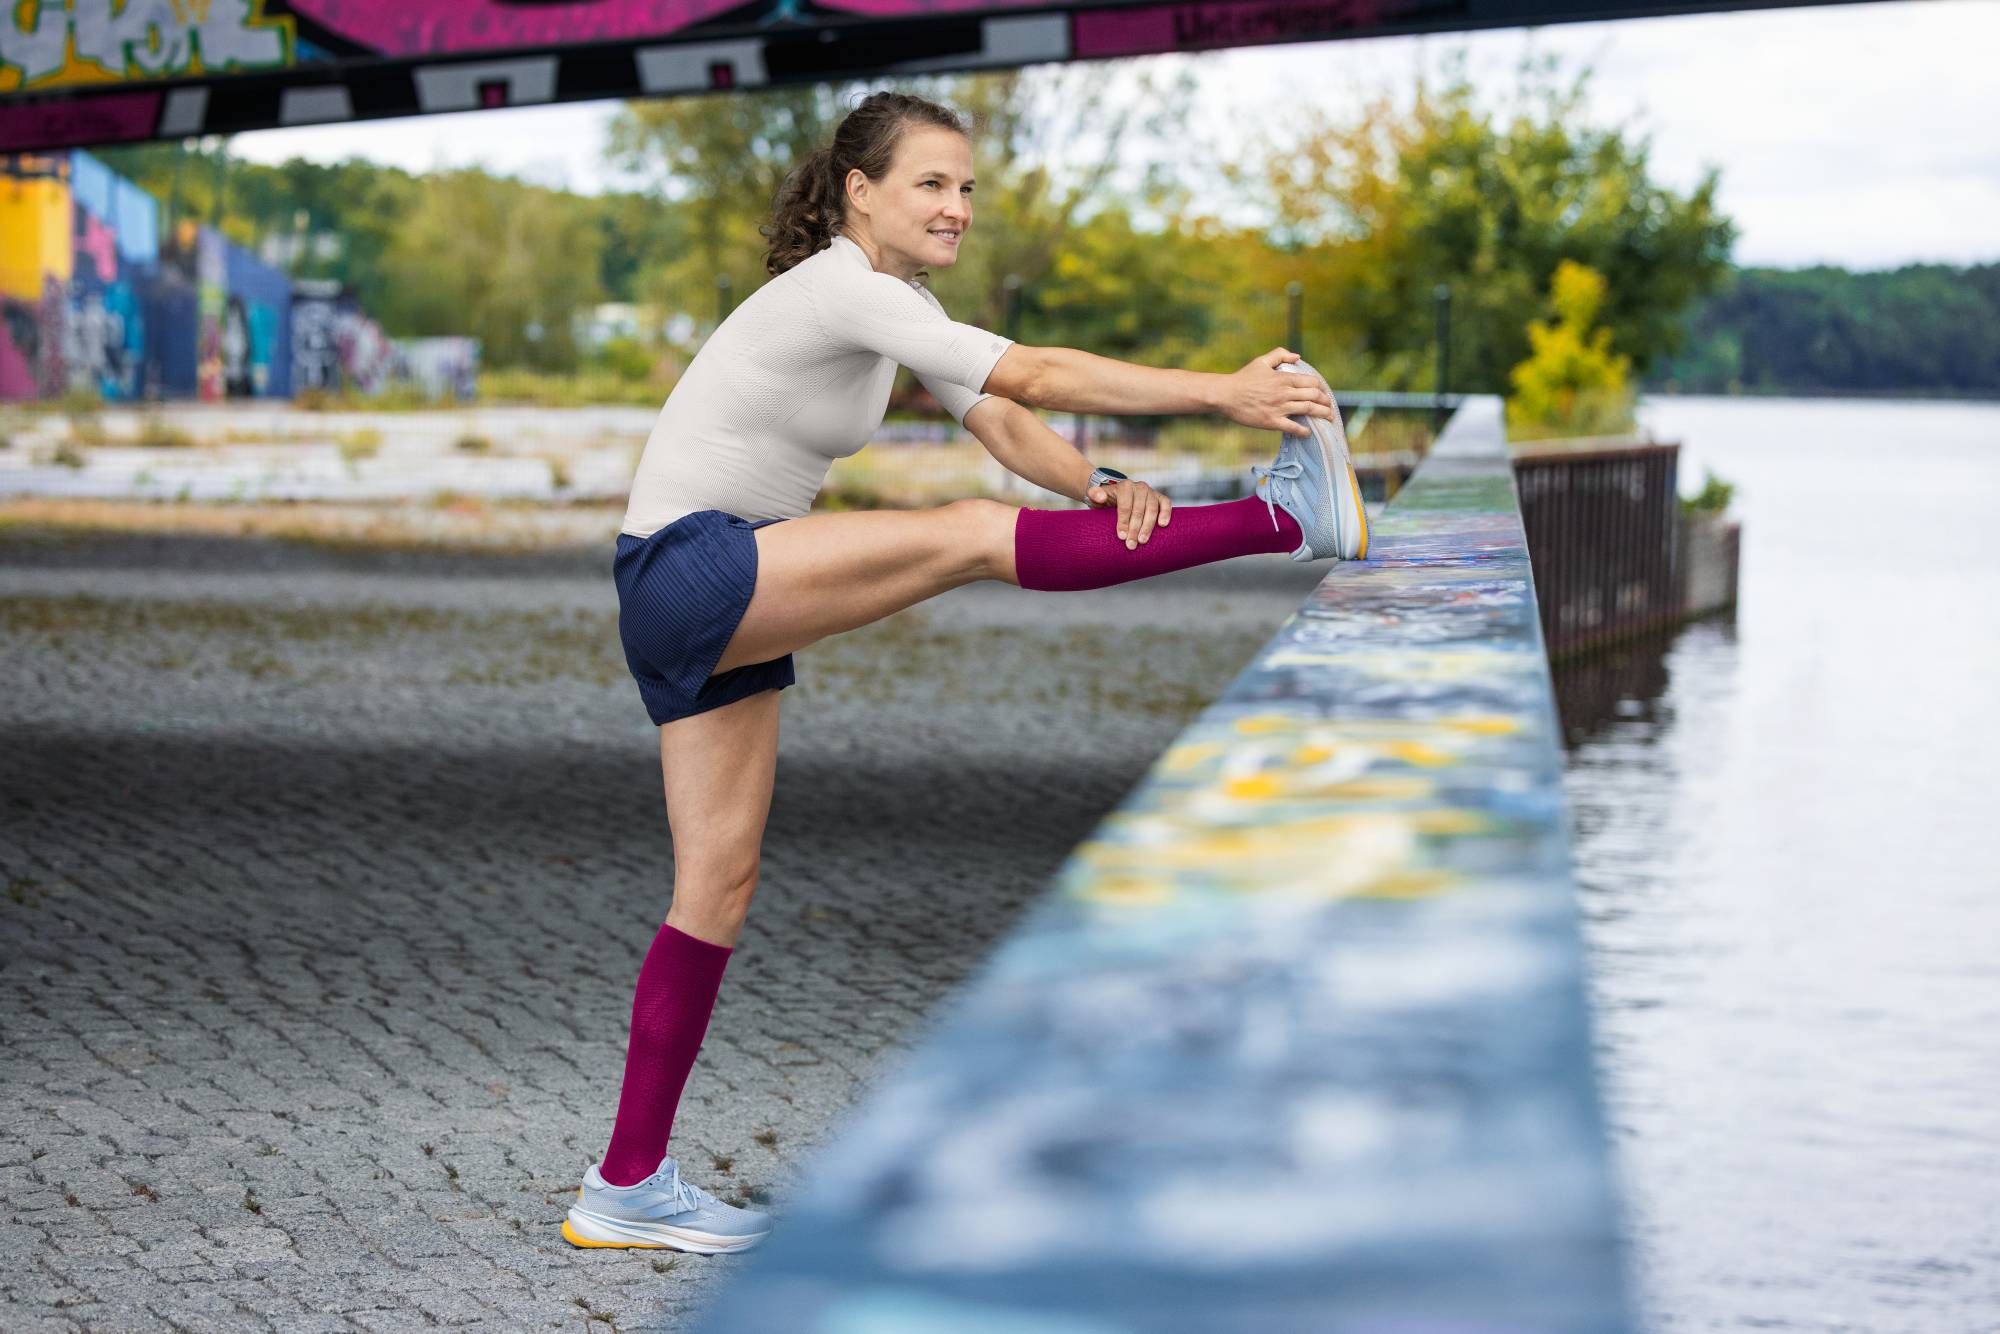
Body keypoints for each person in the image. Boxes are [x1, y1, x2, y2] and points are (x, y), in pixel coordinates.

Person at [561, 90, 1368, 1255]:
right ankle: (1281, 519)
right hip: (695, 566)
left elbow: (1001, 419)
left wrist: (1096, 486)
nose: (957, 206)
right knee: (968, 533)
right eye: (931, 183)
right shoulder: (841, 285)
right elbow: (1033, 370)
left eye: (966, 187)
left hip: (714, 580)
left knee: (716, 888)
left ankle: (626, 1184)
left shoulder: (897, 305)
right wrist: (1220, 392)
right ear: (860, 192)